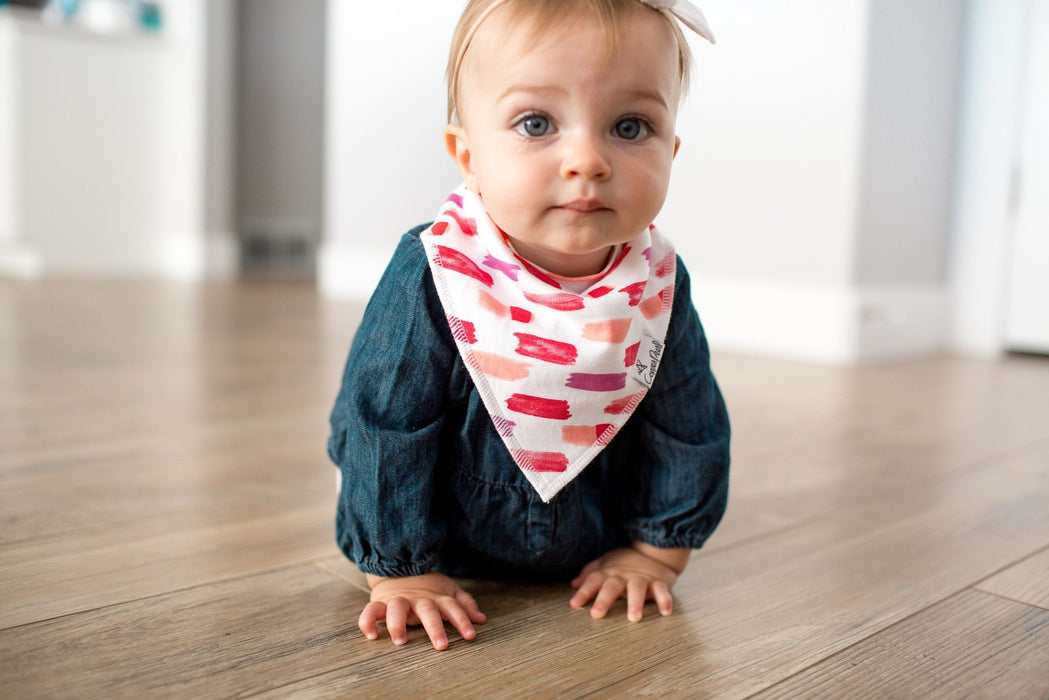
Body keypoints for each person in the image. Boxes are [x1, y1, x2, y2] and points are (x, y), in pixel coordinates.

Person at [328, 0, 730, 651]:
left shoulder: (654, 282)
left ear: (672, 149)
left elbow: (685, 423)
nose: (587, 160)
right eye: (536, 122)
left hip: (594, 536)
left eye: (630, 126)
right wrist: (399, 568)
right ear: (467, 154)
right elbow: (384, 423)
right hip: (445, 540)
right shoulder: (437, 270)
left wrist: (656, 551)